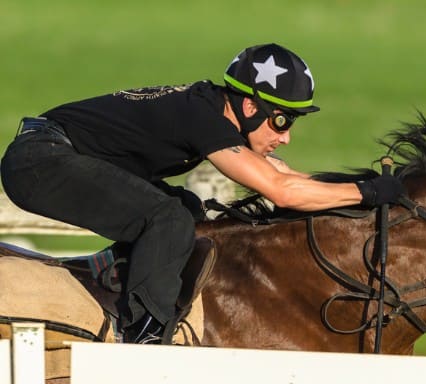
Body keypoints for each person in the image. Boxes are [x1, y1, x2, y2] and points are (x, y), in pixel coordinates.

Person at [0, 43, 405, 344]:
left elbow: (285, 177)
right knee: (167, 218)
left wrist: (360, 192)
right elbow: (281, 191)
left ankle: (119, 283)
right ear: (250, 106)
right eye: (282, 120)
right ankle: (142, 336)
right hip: (40, 161)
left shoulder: (209, 108)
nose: (285, 136)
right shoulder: (202, 117)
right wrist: (369, 192)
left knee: (187, 207)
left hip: (56, 152)